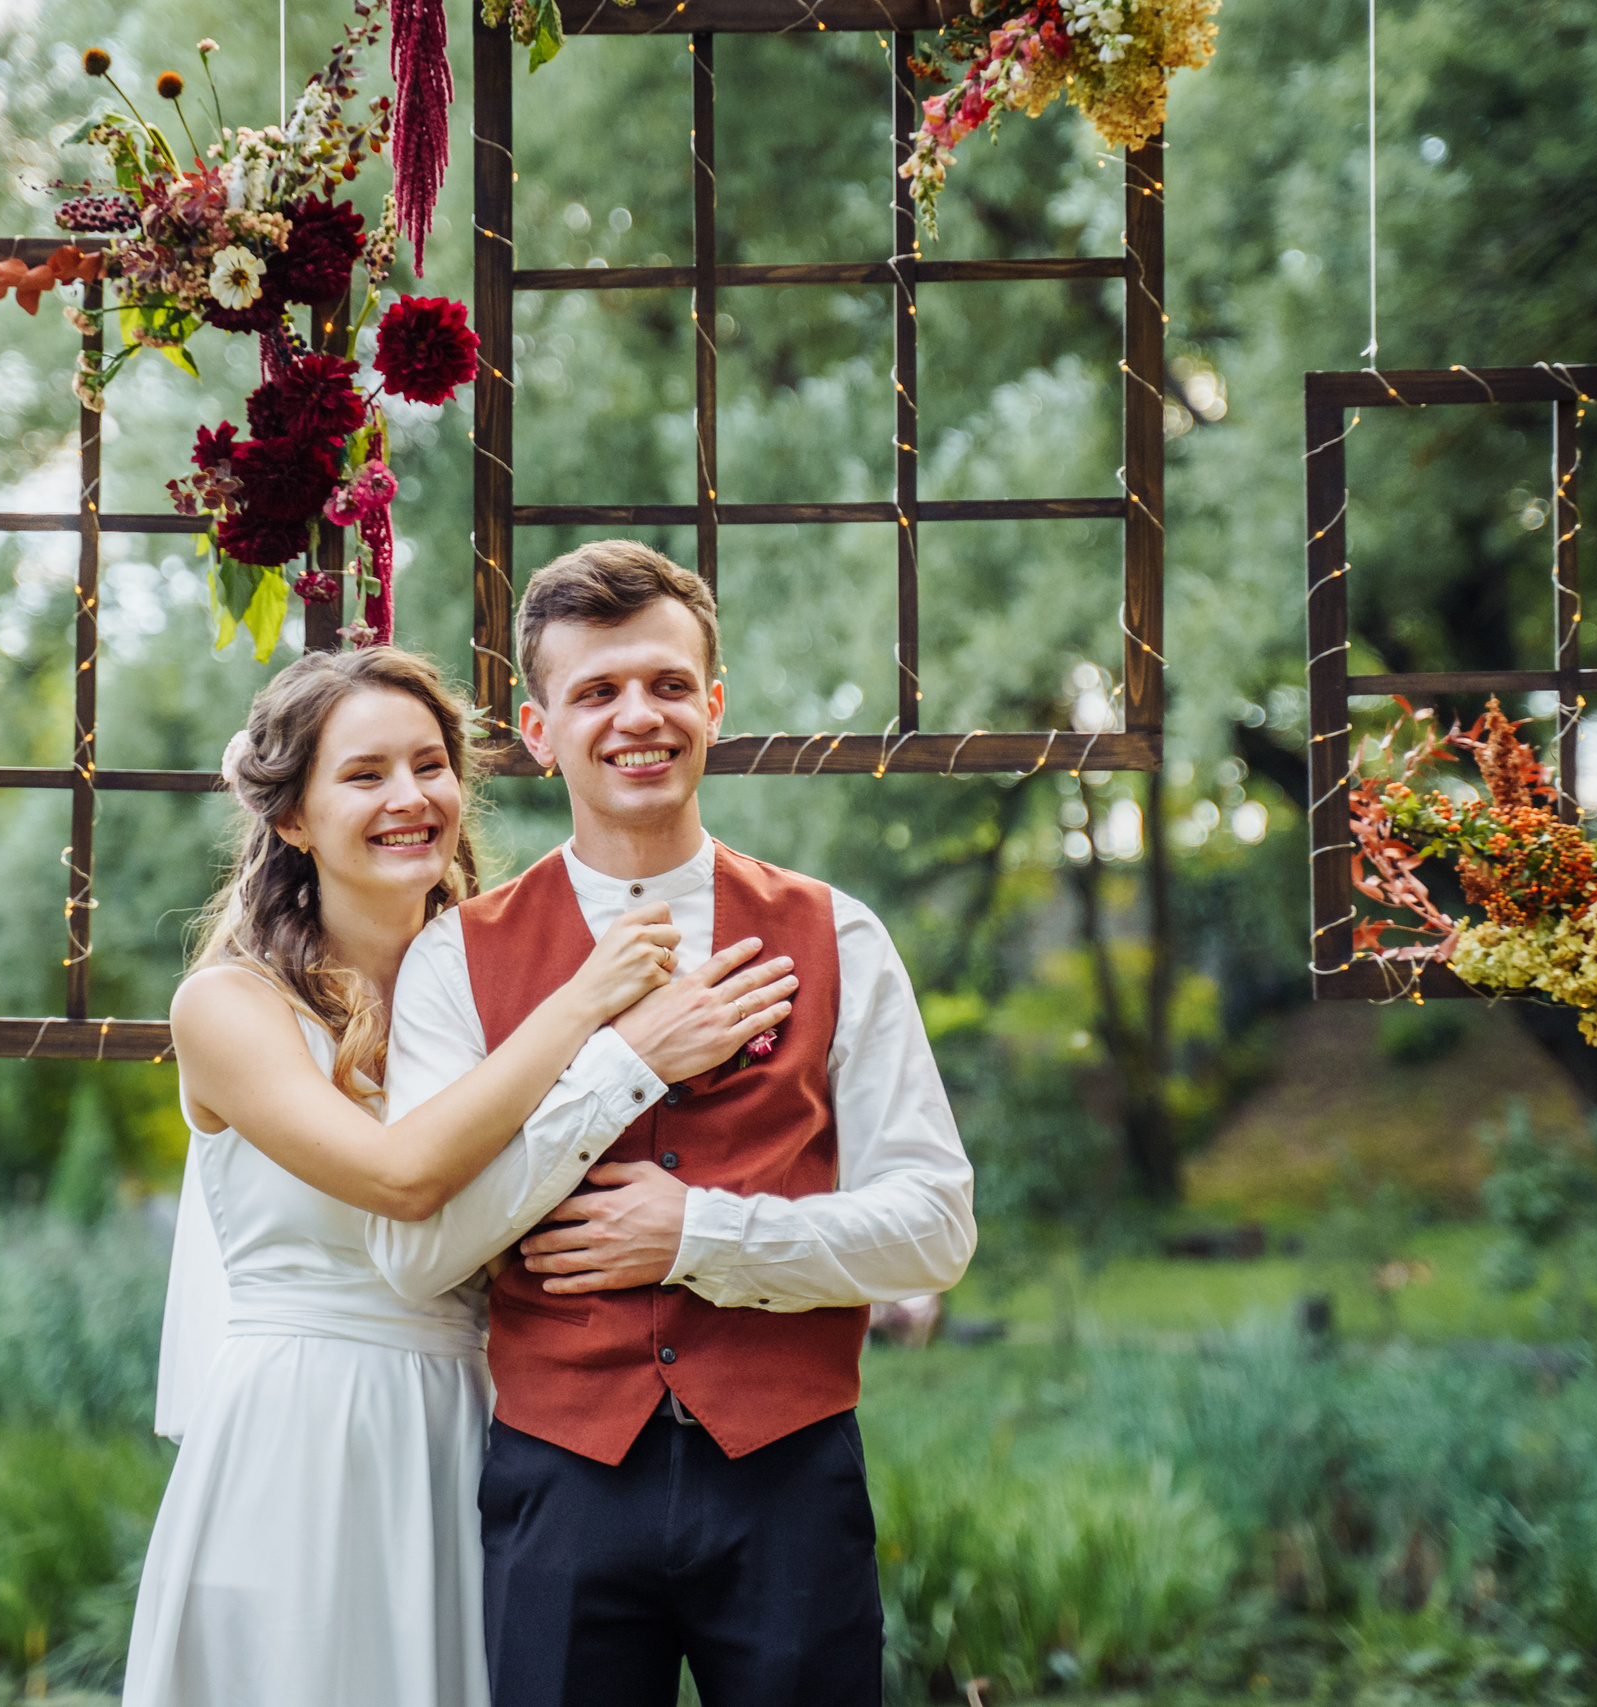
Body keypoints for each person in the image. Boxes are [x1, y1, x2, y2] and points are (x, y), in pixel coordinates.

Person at [125, 644, 798, 1707]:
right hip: (306, 1432)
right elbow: (399, 1179)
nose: (410, 797)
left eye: (429, 764)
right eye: (364, 774)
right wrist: (588, 1011)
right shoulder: (228, 1007)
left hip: (479, 1428)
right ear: (292, 818)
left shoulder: (493, 988)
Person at [367, 543, 977, 1707]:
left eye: (666, 684)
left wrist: (697, 1234)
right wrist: (621, 1068)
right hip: (558, 1481)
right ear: (539, 732)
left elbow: (934, 1229)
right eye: (596, 691)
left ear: (714, 705)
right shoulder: (454, 959)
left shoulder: (839, 936)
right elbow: (420, 1248)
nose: (636, 717)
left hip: (790, 1480)